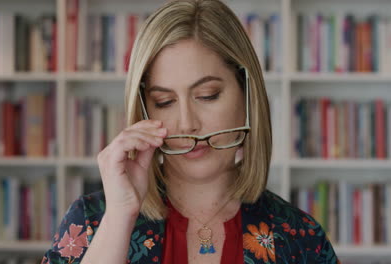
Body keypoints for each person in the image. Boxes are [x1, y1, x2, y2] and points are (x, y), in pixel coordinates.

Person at [41, 0, 339, 263]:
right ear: (143, 110)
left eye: (207, 95)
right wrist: (120, 216)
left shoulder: (301, 237)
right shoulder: (91, 221)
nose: (187, 124)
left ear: (247, 95)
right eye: (164, 102)